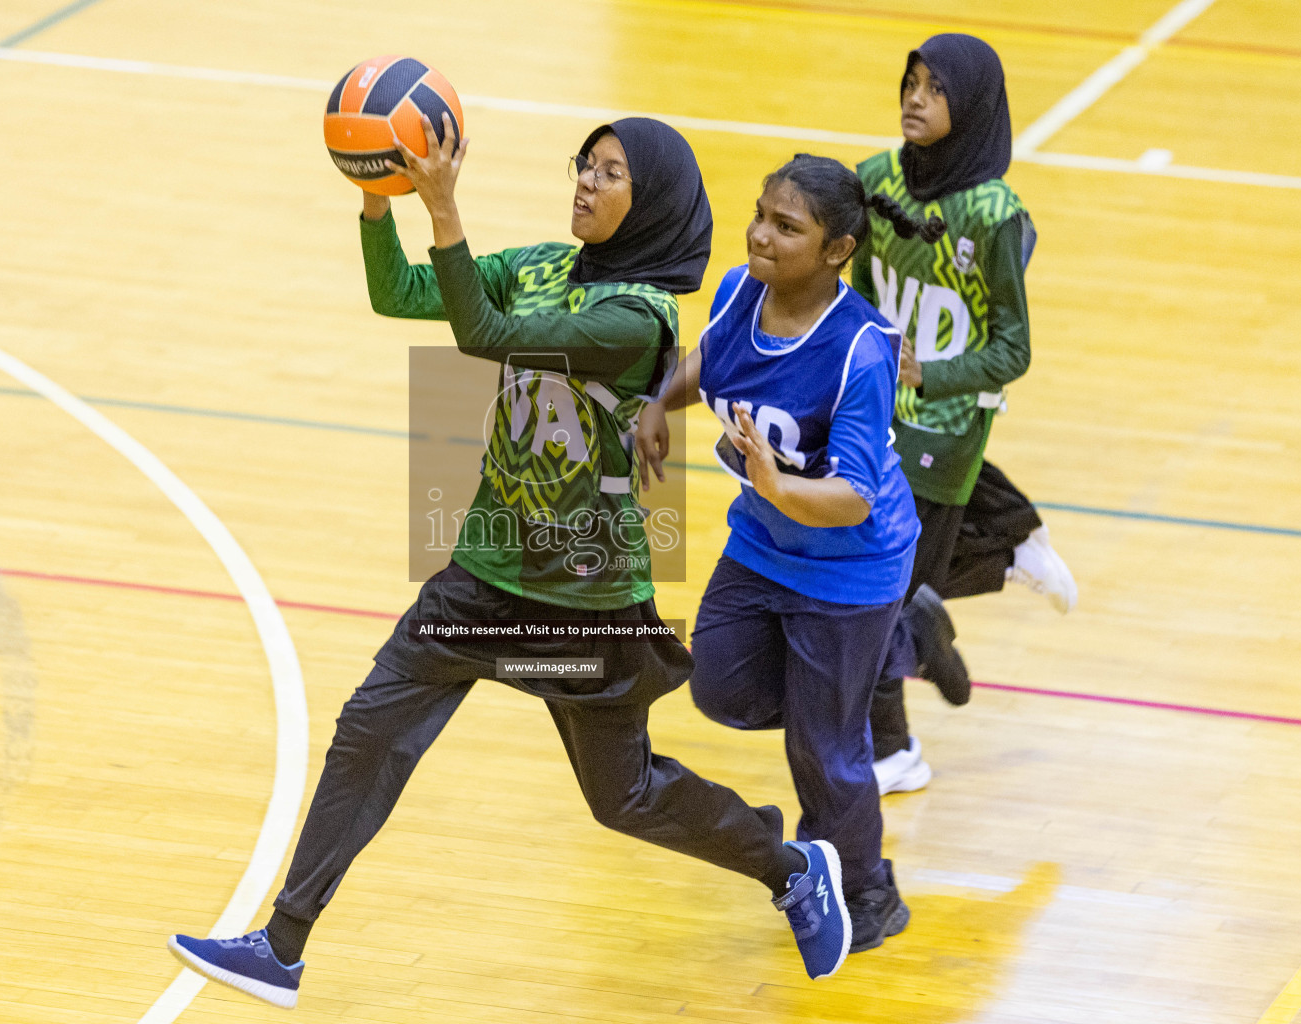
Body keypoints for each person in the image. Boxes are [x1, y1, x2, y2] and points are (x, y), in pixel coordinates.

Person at [167, 116, 859, 1010]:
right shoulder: (542, 264)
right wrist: (381, 203)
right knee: (370, 729)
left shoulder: (638, 320)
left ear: (649, 207)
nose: (585, 182)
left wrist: (446, 208)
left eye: (611, 175)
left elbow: (485, 334)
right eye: (585, 164)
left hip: (579, 604)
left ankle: (792, 867)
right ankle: (283, 945)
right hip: (481, 576)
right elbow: (403, 294)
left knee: (625, 799)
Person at [637, 153, 937, 955]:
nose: (760, 236)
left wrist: (774, 486)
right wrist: (656, 401)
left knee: (825, 748)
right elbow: (710, 366)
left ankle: (871, 891)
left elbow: (852, 498)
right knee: (719, 687)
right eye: (760, 216)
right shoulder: (741, 292)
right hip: (764, 549)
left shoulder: (859, 351)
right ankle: (893, 650)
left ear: (836, 250)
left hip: (851, 567)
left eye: (786, 227)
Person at [857, 33, 1079, 795]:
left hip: (947, 425)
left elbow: (1012, 349)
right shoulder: (874, 178)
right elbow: (853, 292)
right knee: (871, 591)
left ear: (974, 106)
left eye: (936, 89)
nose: (915, 97)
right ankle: (1001, 558)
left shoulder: (993, 213)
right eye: (910, 81)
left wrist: (933, 371)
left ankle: (893, 751)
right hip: (869, 415)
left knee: (876, 599)